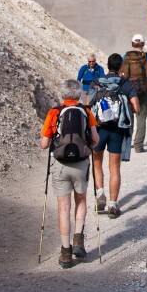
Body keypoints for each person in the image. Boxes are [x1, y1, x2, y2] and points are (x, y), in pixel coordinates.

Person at [40, 79, 99, 268]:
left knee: (63, 207)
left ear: (63, 95)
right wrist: (87, 147)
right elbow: (95, 139)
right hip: (81, 164)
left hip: (61, 164)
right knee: (80, 200)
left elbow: (44, 144)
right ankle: (79, 240)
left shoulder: (54, 112)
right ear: (79, 94)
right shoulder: (86, 111)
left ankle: (66, 253)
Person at [90, 53, 140, 218]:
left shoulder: (98, 82)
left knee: (97, 162)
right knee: (114, 168)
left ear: (107, 65)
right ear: (121, 67)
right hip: (117, 129)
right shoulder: (125, 84)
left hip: (99, 129)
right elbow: (137, 108)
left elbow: (87, 103)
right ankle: (112, 204)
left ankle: (100, 194)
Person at [122, 34, 147, 153]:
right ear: (142, 44)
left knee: (128, 118)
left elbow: (120, 73)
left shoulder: (125, 57)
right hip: (143, 92)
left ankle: (126, 144)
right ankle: (138, 146)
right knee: (141, 119)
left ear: (132, 44)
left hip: (128, 92)